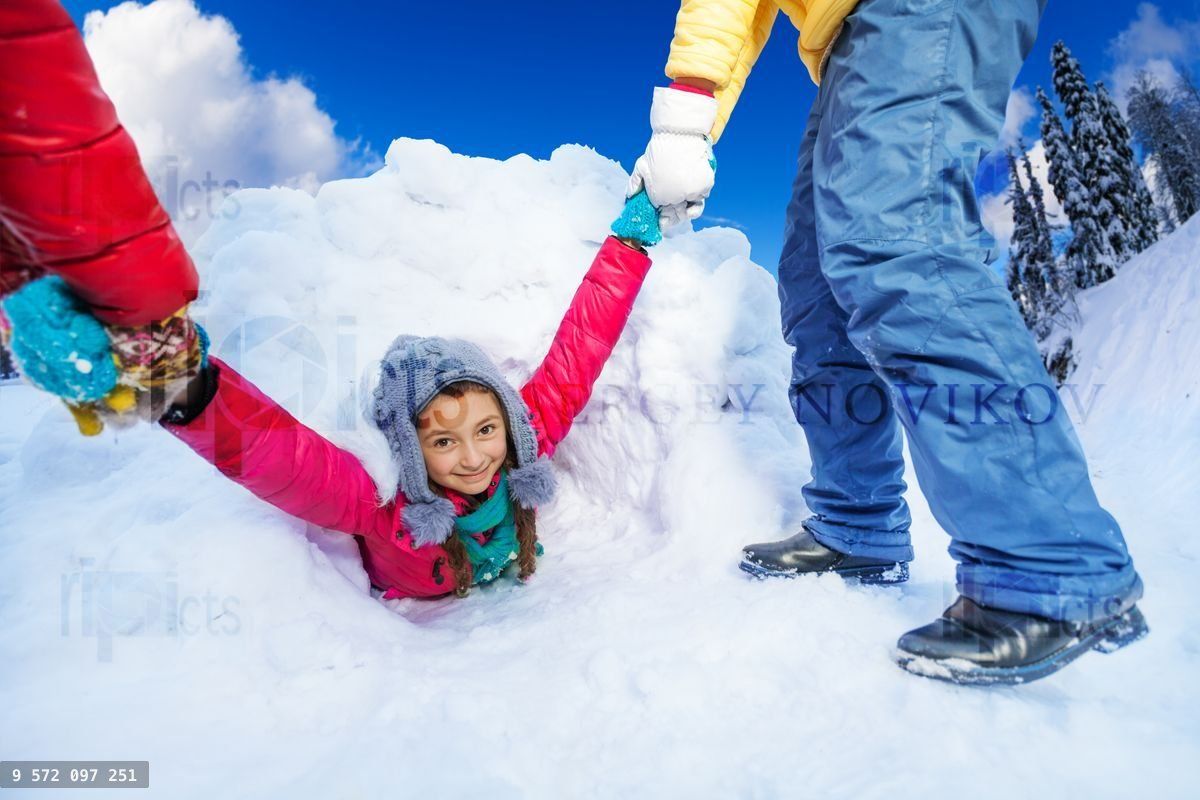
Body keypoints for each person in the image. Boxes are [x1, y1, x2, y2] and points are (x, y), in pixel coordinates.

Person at [628, 0, 1147, 684]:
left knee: (897, 241)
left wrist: (685, 119)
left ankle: (1047, 566)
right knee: (817, 286)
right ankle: (857, 526)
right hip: (846, 41)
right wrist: (690, 129)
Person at [155, 231, 653, 599]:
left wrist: (629, 243)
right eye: (443, 442)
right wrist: (186, 389)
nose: (475, 457)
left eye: (485, 429)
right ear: (410, 449)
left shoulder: (524, 449)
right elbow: (285, 458)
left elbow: (579, 350)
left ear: (508, 422)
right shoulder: (379, 505)